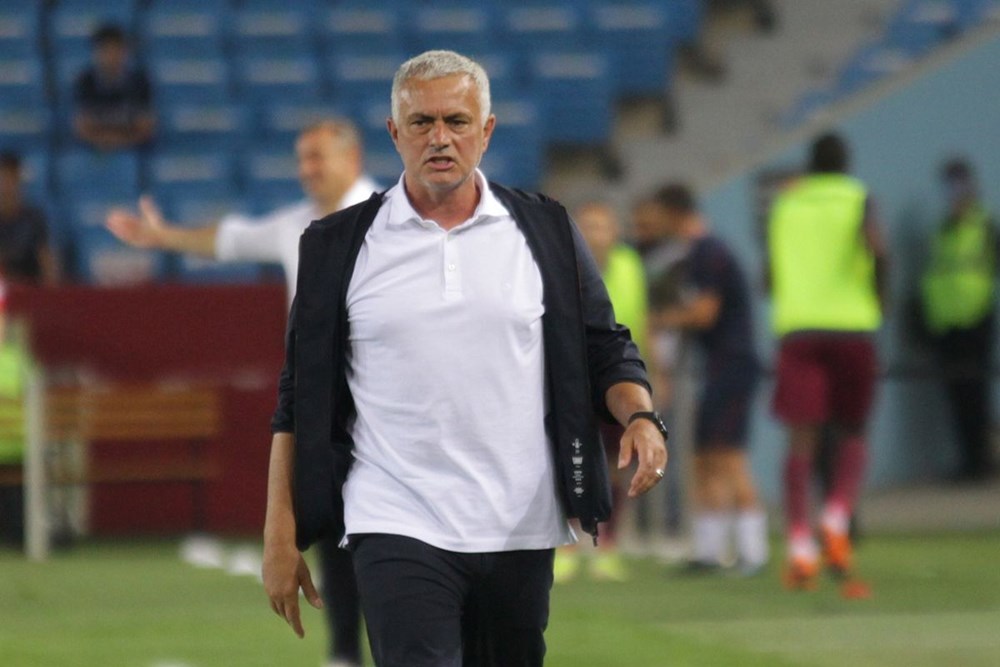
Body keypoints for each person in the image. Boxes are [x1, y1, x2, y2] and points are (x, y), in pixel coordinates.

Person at [262, 50, 669, 666]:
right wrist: (279, 530)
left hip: (520, 524)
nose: (440, 138)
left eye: (456, 121)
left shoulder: (546, 231)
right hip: (393, 517)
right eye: (421, 122)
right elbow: (296, 397)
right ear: (394, 133)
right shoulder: (335, 247)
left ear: (487, 130)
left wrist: (639, 416)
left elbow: (605, 347)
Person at [107, 119, 378, 667]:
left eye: (316, 157)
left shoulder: (389, 217)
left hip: (381, 400)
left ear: (351, 159)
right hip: (323, 404)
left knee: (385, 535)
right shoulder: (297, 224)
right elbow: (231, 239)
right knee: (334, 526)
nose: (306, 169)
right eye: (300, 159)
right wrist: (164, 237)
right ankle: (345, 653)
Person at [766, 132, 887, 597]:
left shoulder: (786, 204)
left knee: (801, 438)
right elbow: (878, 249)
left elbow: (769, 272)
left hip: (798, 328)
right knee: (853, 429)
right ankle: (836, 516)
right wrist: (880, 299)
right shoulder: (859, 198)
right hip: (853, 326)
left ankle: (800, 546)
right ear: (846, 163)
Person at [651, 183, 768, 575]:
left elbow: (704, 314)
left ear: (673, 213)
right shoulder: (699, 253)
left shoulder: (708, 251)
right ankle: (709, 550)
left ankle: (753, 551)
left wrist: (663, 319)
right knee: (704, 459)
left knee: (728, 458)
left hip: (733, 366)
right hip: (719, 368)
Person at [554, 200, 652, 583]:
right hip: (569, 374)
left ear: (615, 232)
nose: (595, 234)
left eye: (602, 226)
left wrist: (650, 376)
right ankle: (566, 544)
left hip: (617, 379)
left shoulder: (629, 265)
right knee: (569, 458)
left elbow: (643, 320)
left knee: (617, 461)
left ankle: (606, 544)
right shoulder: (558, 262)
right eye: (588, 226)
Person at [920, 158, 998, 483]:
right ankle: (968, 461)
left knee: (976, 393)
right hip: (945, 322)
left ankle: (982, 460)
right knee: (955, 395)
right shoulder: (942, 228)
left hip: (976, 318)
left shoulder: (984, 225)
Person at [72, 23, 155, 151]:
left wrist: (119, 142)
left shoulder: (139, 81)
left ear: (125, 52)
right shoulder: (85, 81)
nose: (111, 56)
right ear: (96, 53)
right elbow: (81, 127)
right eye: (106, 50)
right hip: (94, 151)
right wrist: (104, 141)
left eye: (116, 49)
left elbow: (146, 126)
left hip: (132, 150)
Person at [0, 152, 58, 285]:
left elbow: (48, 262)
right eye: (2, 179)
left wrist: (49, 289)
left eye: (11, 179)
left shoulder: (33, 219)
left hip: (28, 288)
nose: (6, 186)